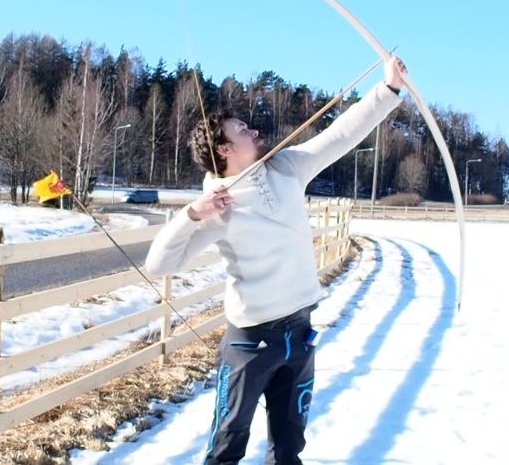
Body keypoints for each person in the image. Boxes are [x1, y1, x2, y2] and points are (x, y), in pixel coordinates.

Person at [145, 56, 408, 464]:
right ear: (224, 149)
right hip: (249, 342)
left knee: (288, 451)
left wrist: (388, 89)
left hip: (300, 333)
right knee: (226, 449)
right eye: (242, 130)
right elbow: (160, 264)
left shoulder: (287, 167)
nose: (254, 130)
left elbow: (340, 135)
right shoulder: (219, 207)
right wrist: (192, 214)